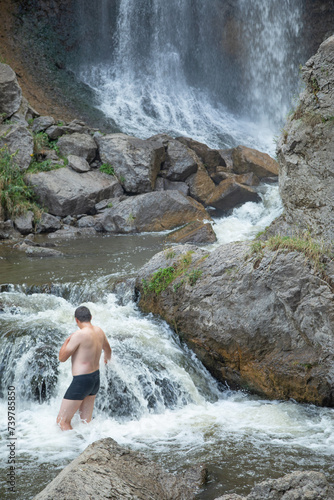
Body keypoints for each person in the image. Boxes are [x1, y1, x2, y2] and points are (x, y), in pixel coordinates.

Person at [56, 305, 112, 431]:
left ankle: (74, 449)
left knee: (62, 421)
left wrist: (66, 341)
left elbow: (62, 358)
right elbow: (108, 350)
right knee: (85, 422)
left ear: (76, 320)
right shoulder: (99, 331)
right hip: (95, 379)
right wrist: (106, 360)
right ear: (91, 317)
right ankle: (88, 447)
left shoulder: (79, 335)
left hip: (81, 381)